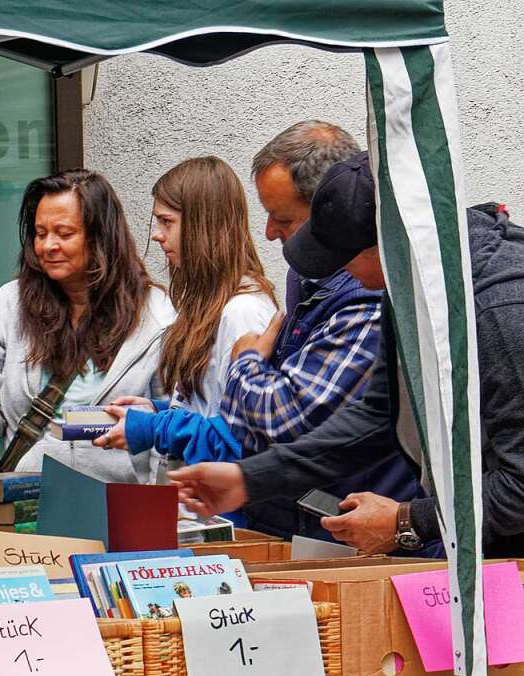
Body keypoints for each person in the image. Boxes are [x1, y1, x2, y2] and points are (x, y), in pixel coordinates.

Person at [170, 151, 524, 557]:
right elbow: (378, 416)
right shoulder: (410, 284)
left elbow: (519, 484)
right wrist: (250, 479)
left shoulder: (498, 307)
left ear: (388, 243)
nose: (337, 273)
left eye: (342, 259)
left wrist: (406, 520)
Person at [98, 127, 421, 543]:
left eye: (166, 221)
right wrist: (162, 413)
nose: (268, 231)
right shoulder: (304, 278)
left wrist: (162, 425)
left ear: (331, 209)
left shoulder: (260, 307)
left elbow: (271, 421)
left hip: (338, 525)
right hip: (296, 516)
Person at [0, 169, 175, 483]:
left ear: (101, 237)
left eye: (64, 233)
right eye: (40, 233)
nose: (48, 246)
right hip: (27, 502)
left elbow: (173, 422)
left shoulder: (156, 314)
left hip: (120, 507)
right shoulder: (10, 304)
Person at [95, 157, 277, 477]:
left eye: (167, 222)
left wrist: (154, 428)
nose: (156, 235)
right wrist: (157, 411)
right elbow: (207, 409)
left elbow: (240, 439)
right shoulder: (213, 305)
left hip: (224, 519)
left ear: (202, 225)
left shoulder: (242, 313)